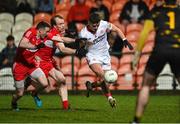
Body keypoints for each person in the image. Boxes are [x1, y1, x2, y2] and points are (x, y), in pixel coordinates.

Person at [131, 0, 180, 122]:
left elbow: (144, 33)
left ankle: (136, 120)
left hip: (159, 50)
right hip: (177, 51)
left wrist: (137, 54)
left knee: (146, 85)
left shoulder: (156, 11)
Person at [25, 15, 87, 109]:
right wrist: (77, 51)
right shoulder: (52, 33)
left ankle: (65, 106)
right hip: (38, 62)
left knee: (62, 80)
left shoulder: (56, 32)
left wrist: (70, 34)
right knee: (47, 89)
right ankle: (31, 84)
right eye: (60, 24)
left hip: (48, 61)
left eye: (63, 23)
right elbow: (62, 49)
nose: (63, 25)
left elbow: (62, 38)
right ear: (54, 26)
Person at [79, 13, 133, 108]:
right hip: (92, 55)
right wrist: (82, 45)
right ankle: (110, 98)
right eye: (93, 25)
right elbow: (80, 46)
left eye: (97, 25)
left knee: (107, 82)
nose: (96, 27)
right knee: (103, 75)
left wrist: (124, 39)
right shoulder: (83, 33)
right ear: (89, 23)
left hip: (105, 55)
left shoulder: (104, 24)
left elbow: (116, 29)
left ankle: (91, 85)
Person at [11, 21, 52, 111]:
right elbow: (22, 44)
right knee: (20, 93)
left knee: (45, 84)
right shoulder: (31, 31)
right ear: (40, 30)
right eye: (47, 31)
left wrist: (36, 56)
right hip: (19, 65)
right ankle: (14, 102)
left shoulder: (42, 37)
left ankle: (34, 93)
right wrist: (36, 47)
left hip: (31, 65)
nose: (47, 34)